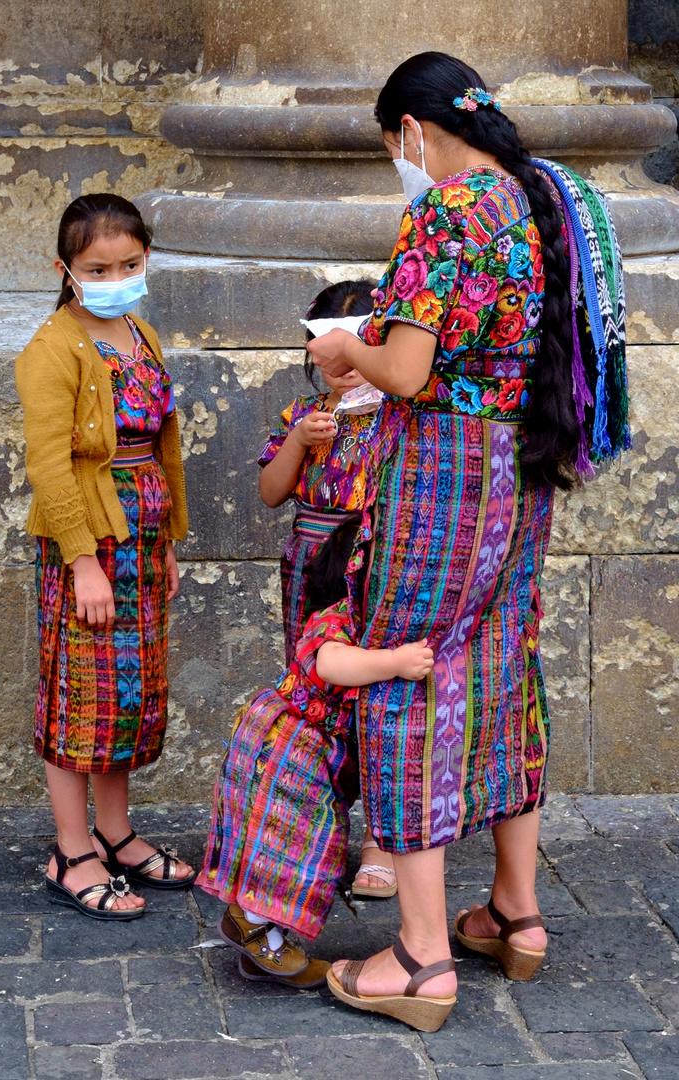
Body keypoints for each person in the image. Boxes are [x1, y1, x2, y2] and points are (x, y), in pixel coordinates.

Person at [307, 52, 628, 1030]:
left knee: (407, 671)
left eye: (391, 145)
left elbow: (405, 369)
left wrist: (343, 347)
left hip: (443, 475)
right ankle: (516, 915)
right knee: (500, 670)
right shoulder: (540, 198)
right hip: (521, 472)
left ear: (411, 130)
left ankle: (421, 955)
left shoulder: (446, 210)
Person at [15, 193, 196, 920]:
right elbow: (50, 466)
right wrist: (82, 560)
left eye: (129, 262)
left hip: (143, 543)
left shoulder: (141, 333)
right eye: (98, 266)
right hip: (86, 545)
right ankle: (71, 849)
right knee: (78, 697)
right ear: (66, 269)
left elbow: (166, 447)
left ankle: (116, 832)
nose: (116, 274)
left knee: (127, 698)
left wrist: (170, 541)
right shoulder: (53, 348)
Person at [197, 515, 441, 1010]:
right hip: (295, 749)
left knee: (288, 844)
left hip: (300, 750)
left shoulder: (367, 621)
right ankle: (253, 925)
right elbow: (330, 662)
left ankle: (260, 939)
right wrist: (393, 662)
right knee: (290, 844)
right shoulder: (337, 617)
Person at [259, 280, 408, 899]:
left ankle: (382, 840)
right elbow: (271, 493)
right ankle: (324, 826)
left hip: (370, 567)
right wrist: (299, 442)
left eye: (355, 352)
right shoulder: (304, 415)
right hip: (308, 567)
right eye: (329, 355)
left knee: (375, 692)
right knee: (315, 689)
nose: (343, 369)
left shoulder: (405, 420)